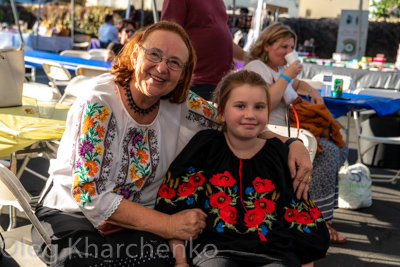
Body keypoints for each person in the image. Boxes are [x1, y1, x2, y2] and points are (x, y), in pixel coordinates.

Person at [31, 21, 313, 267]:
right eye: (154, 54)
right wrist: (168, 225)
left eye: (175, 62)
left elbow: (232, 120)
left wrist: (291, 142)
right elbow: (89, 194)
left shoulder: (178, 102)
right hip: (70, 212)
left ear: (183, 73)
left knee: (159, 259)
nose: (162, 68)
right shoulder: (99, 102)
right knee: (87, 260)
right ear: (134, 54)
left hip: (136, 220)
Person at [155, 70, 329, 267]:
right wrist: (180, 262)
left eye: (259, 107)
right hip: (214, 252)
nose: (250, 115)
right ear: (221, 112)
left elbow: (300, 218)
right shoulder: (205, 148)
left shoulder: (281, 155)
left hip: (276, 254)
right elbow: (177, 207)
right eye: (240, 106)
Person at [244, 22, 348, 244]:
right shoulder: (256, 68)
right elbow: (263, 103)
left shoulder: (279, 68)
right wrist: (286, 76)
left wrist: (312, 91)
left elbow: (297, 84)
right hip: (268, 131)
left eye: (292, 47)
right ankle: (320, 221)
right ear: (267, 46)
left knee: (339, 146)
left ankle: (321, 213)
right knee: (327, 152)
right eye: (284, 47)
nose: (289, 52)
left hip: (291, 128)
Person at [161, 0, 246, 100]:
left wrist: (253, 57)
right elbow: (167, 35)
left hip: (222, 84)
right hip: (196, 85)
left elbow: (223, 40)